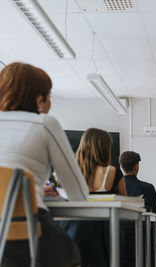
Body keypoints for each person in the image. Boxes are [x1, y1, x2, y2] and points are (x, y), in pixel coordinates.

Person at [0, 62, 89, 267]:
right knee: (73, 256)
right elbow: (80, 195)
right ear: (39, 99)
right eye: (49, 96)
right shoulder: (44, 123)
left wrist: (30, 188)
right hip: (24, 232)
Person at [62, 128, 127, 267]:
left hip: (73, 229)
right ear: (104, 148)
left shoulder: (70, 170)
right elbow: (126, 204)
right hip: (105, 230)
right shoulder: (112, 171)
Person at [119, 151, 156, 267]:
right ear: (136, 166)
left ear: (121, 166)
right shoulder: (147, 187)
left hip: (119, 231)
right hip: (143, 232)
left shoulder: (115, 187)